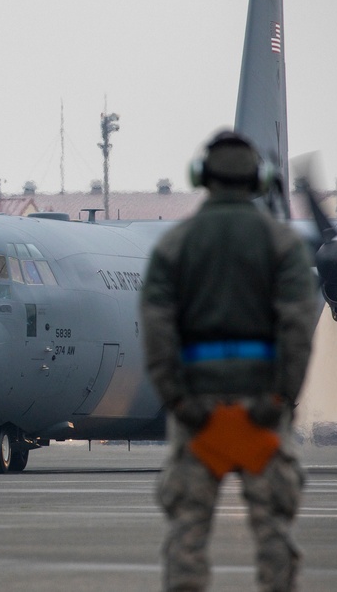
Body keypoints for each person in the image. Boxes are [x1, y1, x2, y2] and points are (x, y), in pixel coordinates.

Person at [140, 130, 319, 592]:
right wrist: (281, 394)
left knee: (187, 536)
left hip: (197, 411)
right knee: (274, 533)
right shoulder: (283, 245)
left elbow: (157, 330)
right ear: (259, 180)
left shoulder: (174, 245)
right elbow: (298, 328)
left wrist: (177, 400)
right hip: (261, 407)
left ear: (201, 176)